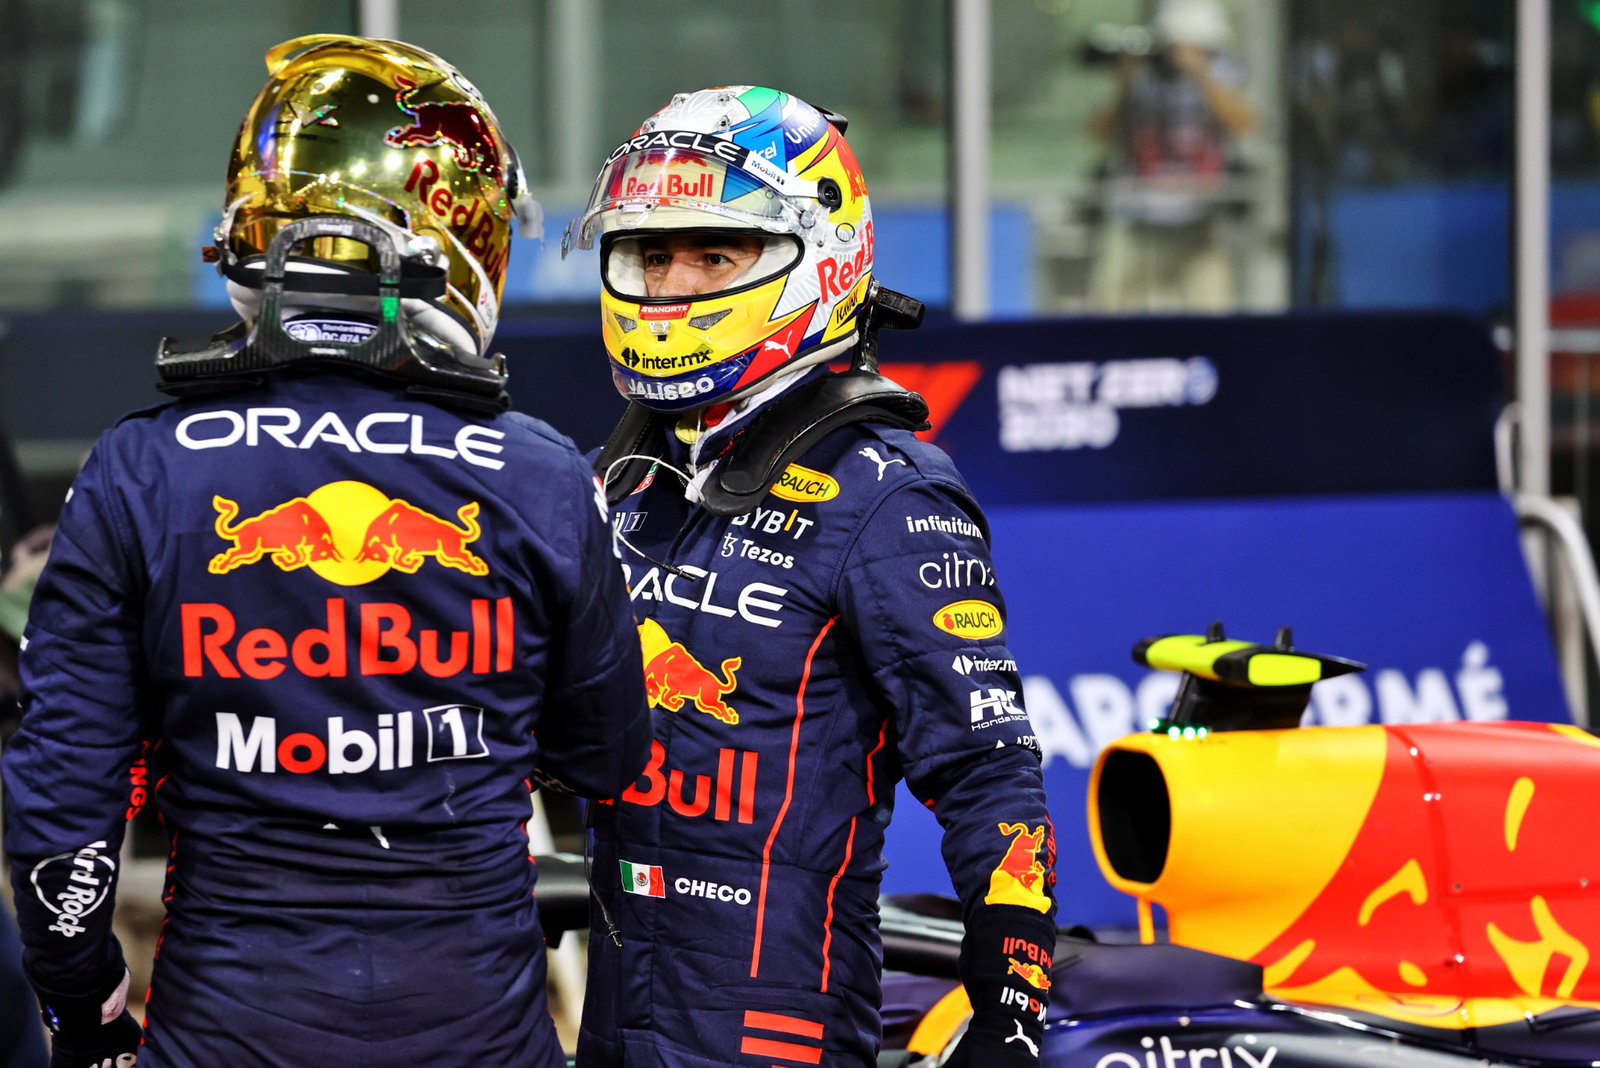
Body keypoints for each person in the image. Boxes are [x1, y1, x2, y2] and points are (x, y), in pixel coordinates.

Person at [2, 34, 648, 1067]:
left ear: (249, 234)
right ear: (459, 234)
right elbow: (604, 757)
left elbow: (60, 815)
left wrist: (86, 1015)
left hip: (226, 1035)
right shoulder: (541, 474)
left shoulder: (138, 468)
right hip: (479, 1037)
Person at [563, 86, 1058, 1066]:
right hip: (616, 1015)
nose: (668, 286)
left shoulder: (889, 495)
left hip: (771, 1027)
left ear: (819, 256)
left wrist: (1011, 1025)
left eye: (715, 254)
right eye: (650, 254)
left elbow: (991, 781)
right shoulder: (620, 474)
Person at [1088, 0, 1257, 311]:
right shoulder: (1142, 76)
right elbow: (1099, 134)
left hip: (1200, 220)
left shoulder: (1221, 73)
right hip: (1139, 218)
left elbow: (1245, 122)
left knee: (1213, 311)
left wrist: (1201, 74)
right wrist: (1124, 85)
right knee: (1112, 310)